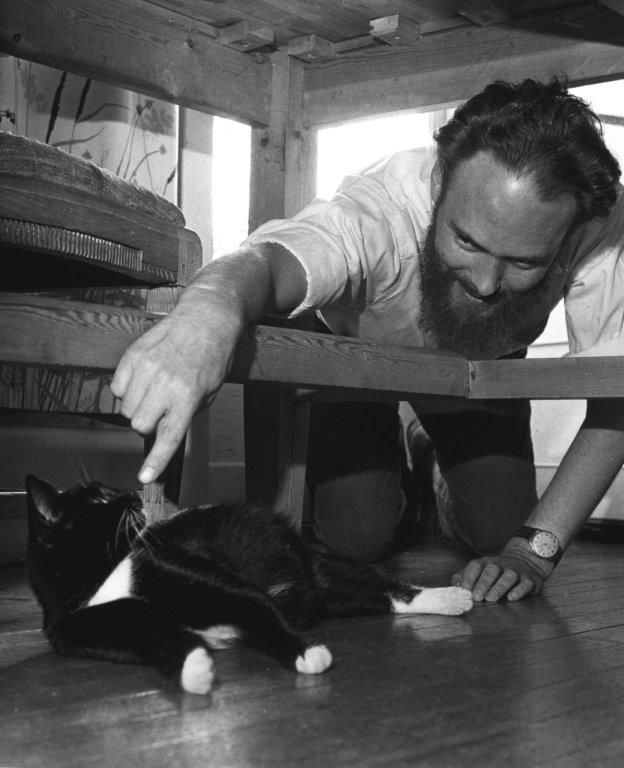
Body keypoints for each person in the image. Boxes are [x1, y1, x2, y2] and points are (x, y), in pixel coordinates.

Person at [111, 78, 624, 603]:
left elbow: (618, 392)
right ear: (439, 181)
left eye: (524, 262)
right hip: (355, 362)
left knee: (504, 534)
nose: (486, 284)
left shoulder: (600, 224)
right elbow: (267, 260)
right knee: (357, 538)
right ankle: (399, 460)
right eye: (467, 240)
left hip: (483, 364)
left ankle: (429, 459)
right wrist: (205, 312)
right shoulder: (378, 211)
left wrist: (531, 554)